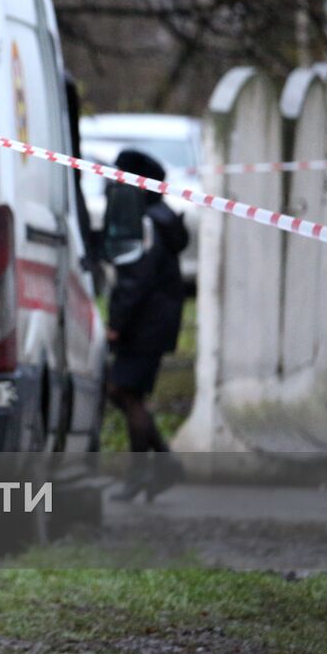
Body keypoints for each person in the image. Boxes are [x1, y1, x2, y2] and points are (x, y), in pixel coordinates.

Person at [104, 148, 188, 502]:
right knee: (123, 391)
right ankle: (165, 464)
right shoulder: (158, 217)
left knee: (125, 392)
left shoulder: (148, 222)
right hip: (154, 319)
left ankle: (141, 472)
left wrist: (117, 323)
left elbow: (136, 278)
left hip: (146, 322)